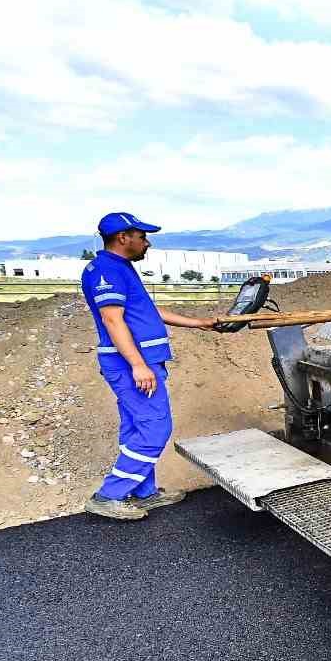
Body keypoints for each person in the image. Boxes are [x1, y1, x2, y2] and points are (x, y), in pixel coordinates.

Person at [80, 212, 222, 521]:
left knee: (137, 426)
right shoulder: (106, 271)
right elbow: (112, 319)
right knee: (156, 426)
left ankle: (144, 493)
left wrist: (198, 323)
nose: (147, 242)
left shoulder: (120, 268)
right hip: (131, 365)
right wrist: (138, 365)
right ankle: (109, 495)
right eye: (142, 236)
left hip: (140, 362)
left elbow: (147, 310)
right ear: (123, 238)